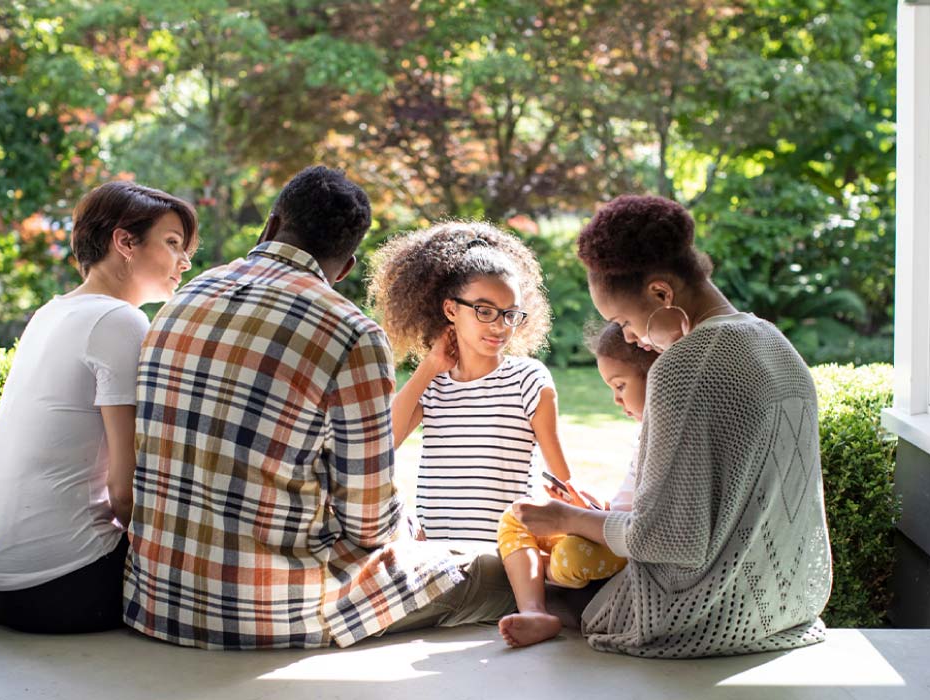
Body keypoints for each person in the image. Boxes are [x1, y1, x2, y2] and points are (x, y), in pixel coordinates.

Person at [124, 167, 515, 650]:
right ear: (347, 266)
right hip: (271, 611)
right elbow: (370, 523)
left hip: (156, 596)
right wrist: (405, 528)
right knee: (505, 572)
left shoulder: (187, 295)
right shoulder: (353, 334)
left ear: (269, 227)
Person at [515, 195, 833, 658]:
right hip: (788, 603)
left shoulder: (685, 366)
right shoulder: (776, 343)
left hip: (704, 617)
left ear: (662, 293)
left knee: (530, 578)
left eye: (623, 320)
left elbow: (667, 540)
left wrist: (569, 517)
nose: (627, 337)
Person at [0, 181, 196, 634]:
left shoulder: (51, 312)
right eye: (173, 243)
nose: (185, 261)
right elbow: (124, 491)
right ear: (124, 241)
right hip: (57, 585)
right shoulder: (119, 320)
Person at [366, 222, 569, 545]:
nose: (500, 326)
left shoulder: (528, 380)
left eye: (510, 314)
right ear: (450, 309)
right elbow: (381, 447)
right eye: (484, 311)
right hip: (436, 558)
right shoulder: (431, 386)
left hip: (504, 555)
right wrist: (430, 367)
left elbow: (562, 480)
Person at [494, 322, 655, 648]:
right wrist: (587, 505)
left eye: (621, 386)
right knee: (516, 516)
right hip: (608, 529)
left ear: (656, 377)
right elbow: (620, 507)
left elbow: (642, 525)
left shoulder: (664, 437)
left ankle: (533, 572)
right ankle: (535, 610)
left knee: (571, 554)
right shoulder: (643, 434)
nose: (616, 400)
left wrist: (584, 517)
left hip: (627, 549)